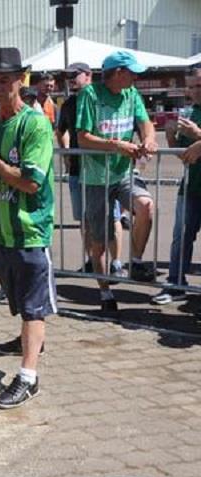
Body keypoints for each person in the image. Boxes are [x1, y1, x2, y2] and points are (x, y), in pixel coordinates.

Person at [0, 47, 56, 409]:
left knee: (34, 308)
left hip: (31, 232)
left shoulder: (35, 123)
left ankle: (28, 378)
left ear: (20, 80)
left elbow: (31, 182)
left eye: (4, 80)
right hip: (2, 233)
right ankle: (30, 339)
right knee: (19, 301)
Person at [76, 50, 158, 312]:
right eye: (132, 72)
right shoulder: (90, 94)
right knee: (99, 241)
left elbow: (146, 123)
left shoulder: (131, 94)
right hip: (96, 178)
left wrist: (149, 139)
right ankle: (104, 293)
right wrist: (116, 146)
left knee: (146, 206)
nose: (136, 77)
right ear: (118, 72)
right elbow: (83, 138)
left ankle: (135, 260)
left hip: (123, 174)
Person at [56, 62, 126, 279]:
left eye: (74, 75)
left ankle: (116, 262)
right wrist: (67, 153)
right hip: (78, 171)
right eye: (68, 76)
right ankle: (92, 260)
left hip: (104, 170)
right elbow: (61, 130)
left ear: (89, 75)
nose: (71, 80)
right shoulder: (68, 104)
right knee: (84, 218)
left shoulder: (101, 98)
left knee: (112, 216)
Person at [152, 67, 201, 305]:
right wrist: (172, 135)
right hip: (191, 186)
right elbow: (184, 155)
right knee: (181, 237)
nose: (194, 91)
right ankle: (176, 283)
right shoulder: (192, 112)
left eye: (198, 86)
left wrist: (198, 136)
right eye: (191, 87)